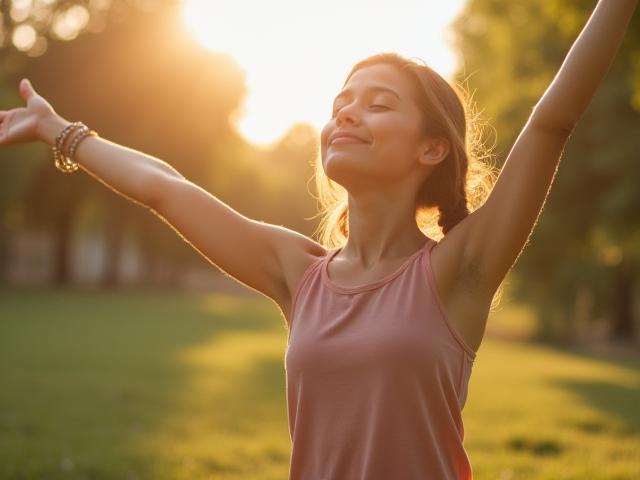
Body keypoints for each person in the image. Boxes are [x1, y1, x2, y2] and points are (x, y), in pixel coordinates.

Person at [0, 0, 637, 478]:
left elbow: (552, 120)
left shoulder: (459, 270)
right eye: (341, 102)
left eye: (378, 103)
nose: (347, 113)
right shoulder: (297, 273)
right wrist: (62, 131)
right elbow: (164, 186)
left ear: (432, 147)